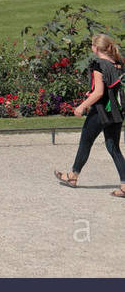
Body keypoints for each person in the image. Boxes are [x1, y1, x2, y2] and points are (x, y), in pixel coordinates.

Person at [54, 34, 125, 197]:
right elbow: (111, 88)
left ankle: (72, 176)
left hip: (100, 112)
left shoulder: (98, 64)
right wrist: (92, 93)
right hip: (116, 111)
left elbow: (99, 92)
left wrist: (81, 106)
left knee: (85, 142)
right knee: (113, 147)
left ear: (96, 48)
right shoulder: (119, 64)